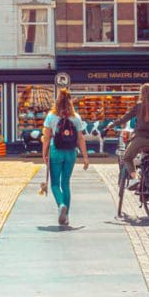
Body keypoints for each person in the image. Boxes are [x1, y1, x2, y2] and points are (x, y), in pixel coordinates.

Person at [41, 88, 89, 226]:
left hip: (55, 151)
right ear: (70, 101)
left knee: (55, 183)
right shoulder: (76, 117)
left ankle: (61, 205)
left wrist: (44, 153)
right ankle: (66, 216)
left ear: (57, 100)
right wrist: (85, 157)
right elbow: (80, 138)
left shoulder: (51, 116)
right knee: (66, 183)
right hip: (71, 153)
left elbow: (46, 136)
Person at [107, 83, 149, 190]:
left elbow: (125, 118)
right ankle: (146, 190)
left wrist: (112, 124)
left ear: (142, 94)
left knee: (127, 157)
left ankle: (135, 179)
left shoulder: (139, 106)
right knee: (147, 163)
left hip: (140, 139)